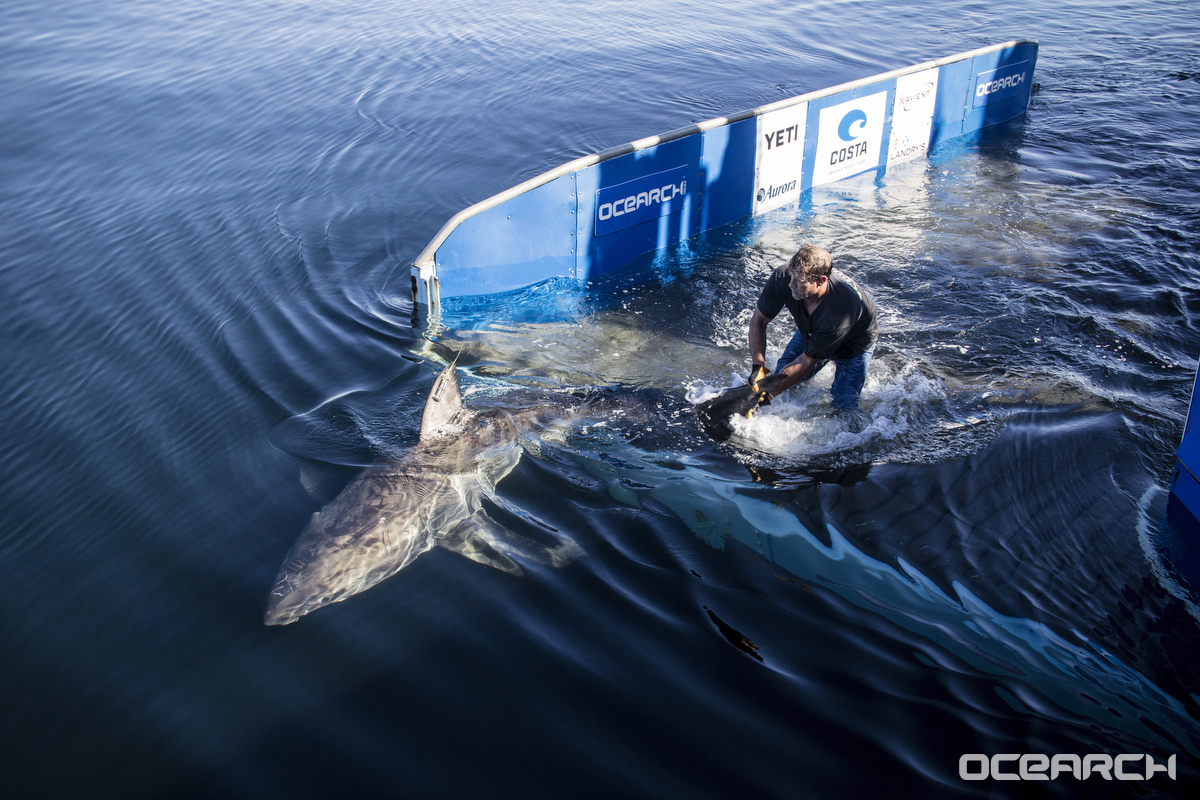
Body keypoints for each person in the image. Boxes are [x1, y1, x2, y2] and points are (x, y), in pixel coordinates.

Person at [747, 244, 877, 411]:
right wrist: (758, 366)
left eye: (799, 282)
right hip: (815, 329)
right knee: (781, 376)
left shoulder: (839, 311)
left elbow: (807, 360)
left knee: (843, 405)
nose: (790, 285)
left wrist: (761, 399)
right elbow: (758, 321)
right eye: (791, 276)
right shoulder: (784, 277)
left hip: (854, 343)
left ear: (821, 280)